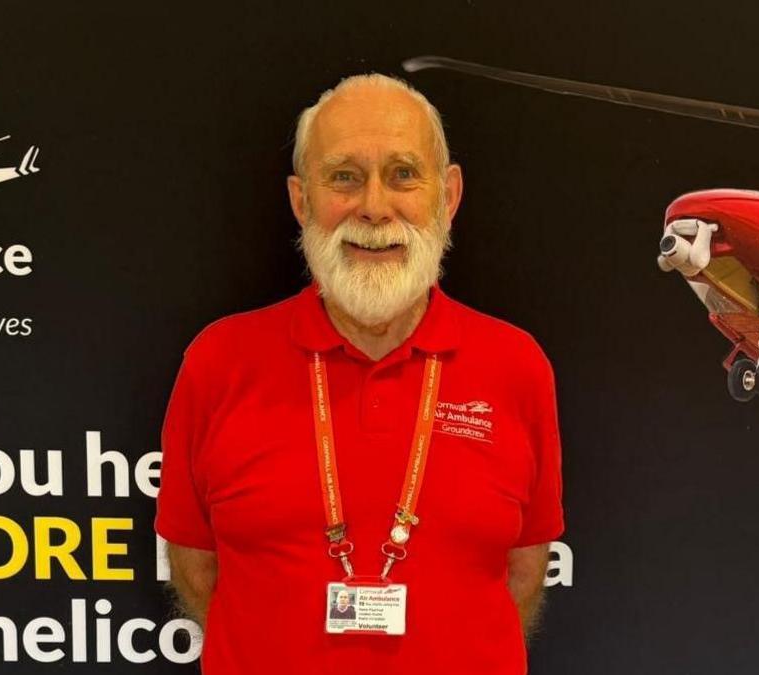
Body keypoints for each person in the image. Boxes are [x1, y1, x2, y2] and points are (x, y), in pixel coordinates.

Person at [156, 73, 564, 675]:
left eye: (403, 174)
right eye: (344, 176)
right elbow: (195, 567)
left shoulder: (517, 365)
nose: (374, 207)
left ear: (447, 197)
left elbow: (525, 570)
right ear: (301, 200)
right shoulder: (219, 361)